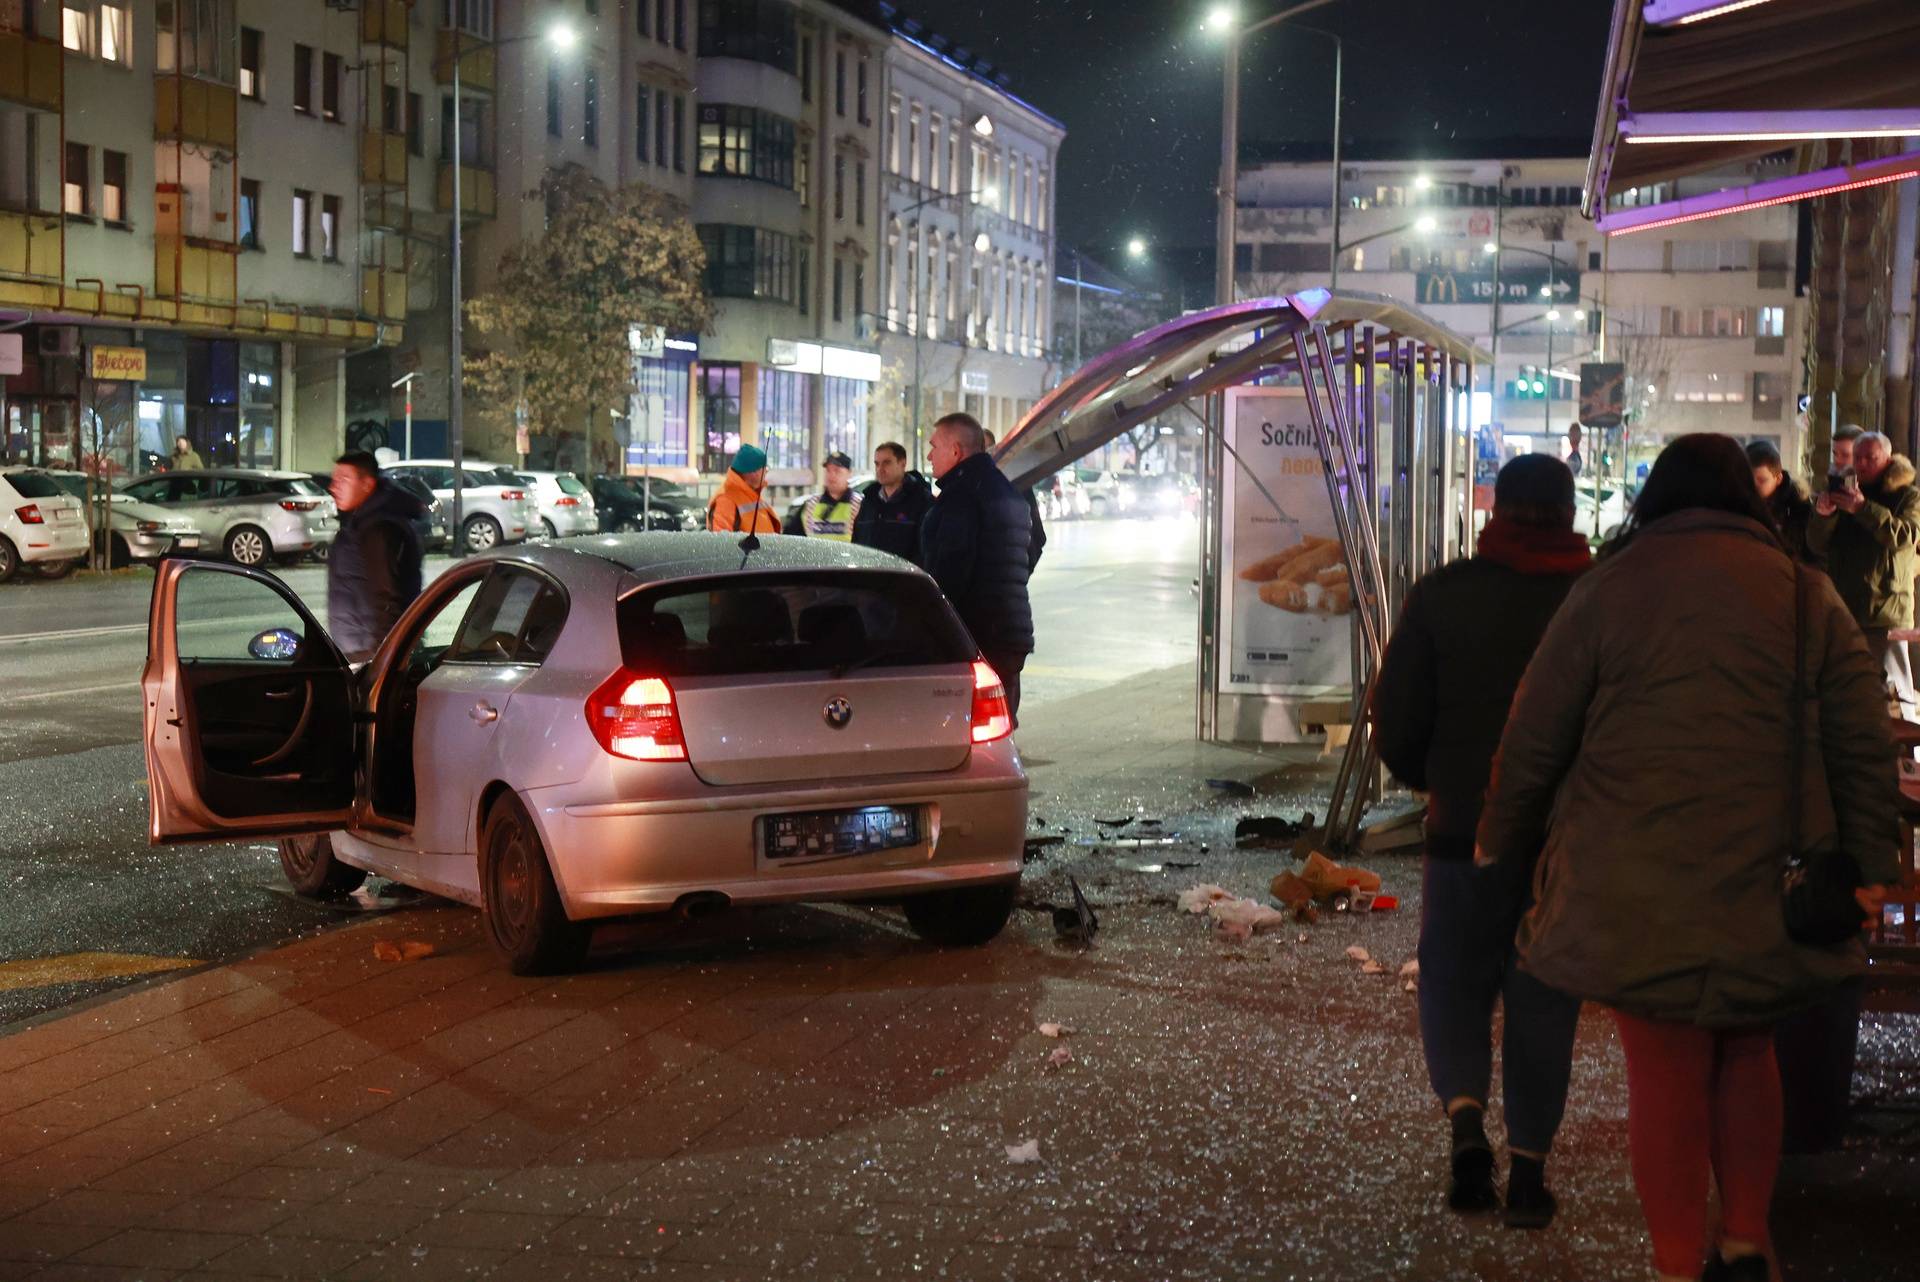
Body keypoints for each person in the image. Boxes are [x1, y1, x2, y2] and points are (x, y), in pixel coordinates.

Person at [1477, 433, 1898, 1282]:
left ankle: (1676, 1263)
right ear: (1750, 498)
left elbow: (1535, 734)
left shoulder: (1607, 590)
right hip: (1774, 872)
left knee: (1663, 1066)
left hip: (1636, 877)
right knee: (1749, 1050)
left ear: (1655, 499)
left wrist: (1499, 837)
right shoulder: (1805, 595)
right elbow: (1862, 744)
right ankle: (1743, 1232)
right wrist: (1872, 865)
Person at [1371, 455, 1590, 1228]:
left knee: (1454, 980)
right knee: (1544, 995)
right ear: (1568, 513)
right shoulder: (1592, 603)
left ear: (1497, 508)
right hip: (1563, 844)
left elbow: (1395, 723)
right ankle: (1529, 1169)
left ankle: (1466, 1125)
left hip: (1463, 827)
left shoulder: (1443, 594)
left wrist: (1437, 779)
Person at [920, 412, 1035, 720]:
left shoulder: (962, 498)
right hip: (1010, 630)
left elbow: (950, 573)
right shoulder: (1004, 489)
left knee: (971, 737)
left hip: (975, 635)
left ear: (956, 451)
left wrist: (934, 625)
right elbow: (1030, 549)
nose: (929, 455)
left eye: (934, 446)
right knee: (1000, 730)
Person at [1807, 428, 1920, 719]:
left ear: (1888, 457)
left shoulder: (1907, 496)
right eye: (1858, 458)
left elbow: (1906, 537)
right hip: (1846, 605)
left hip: (1886, 610)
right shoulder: (1843, 489)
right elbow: (1817, 544)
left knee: (1894, 693)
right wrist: (1824, 514)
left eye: (1871, 457)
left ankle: (1904, 753)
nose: (1863, 464)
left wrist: (1863, 508)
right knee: (1848, 689)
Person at [327, 450, 425, 664]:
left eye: (344, 479)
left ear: (367, 485)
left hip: (371, 658)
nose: (333, 487)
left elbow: (387, 599)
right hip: (360, 652)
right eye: (334, 480)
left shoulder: (379, 530)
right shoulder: (357, 524)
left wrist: (383, 662)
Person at [851, 441, 933, 565]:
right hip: (869, 577)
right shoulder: (869, 501)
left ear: (903, 463)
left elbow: (924, 549)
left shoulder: (921, 500)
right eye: (877, 464)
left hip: (904, 579)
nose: (880, 469)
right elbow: (857, 541)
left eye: (886, 463)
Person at [1746, 438, 1819, 567]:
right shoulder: (1735, 501)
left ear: (1778, 478)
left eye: (1762, 480)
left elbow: (1807, 553)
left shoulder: (1798, 506)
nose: (1753, 486)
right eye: (1747, 478)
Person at [982, 429, 1046, 571]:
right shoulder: (967, 489)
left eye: (987, 449)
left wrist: (1018, 572)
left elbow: (1038, 535)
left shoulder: (1016, 484)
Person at [706, 444, 782, 535]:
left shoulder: (750, 493)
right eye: (764, 468)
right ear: (753, 471)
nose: (766, 472)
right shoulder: (726, 499)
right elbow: (721, 543)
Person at [792, 451, 862, 540]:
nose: (831, 475)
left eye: (837, 471)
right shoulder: (810, 505)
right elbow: (793, 538)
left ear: (849, 474)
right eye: (828, 470)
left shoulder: (860, 505)